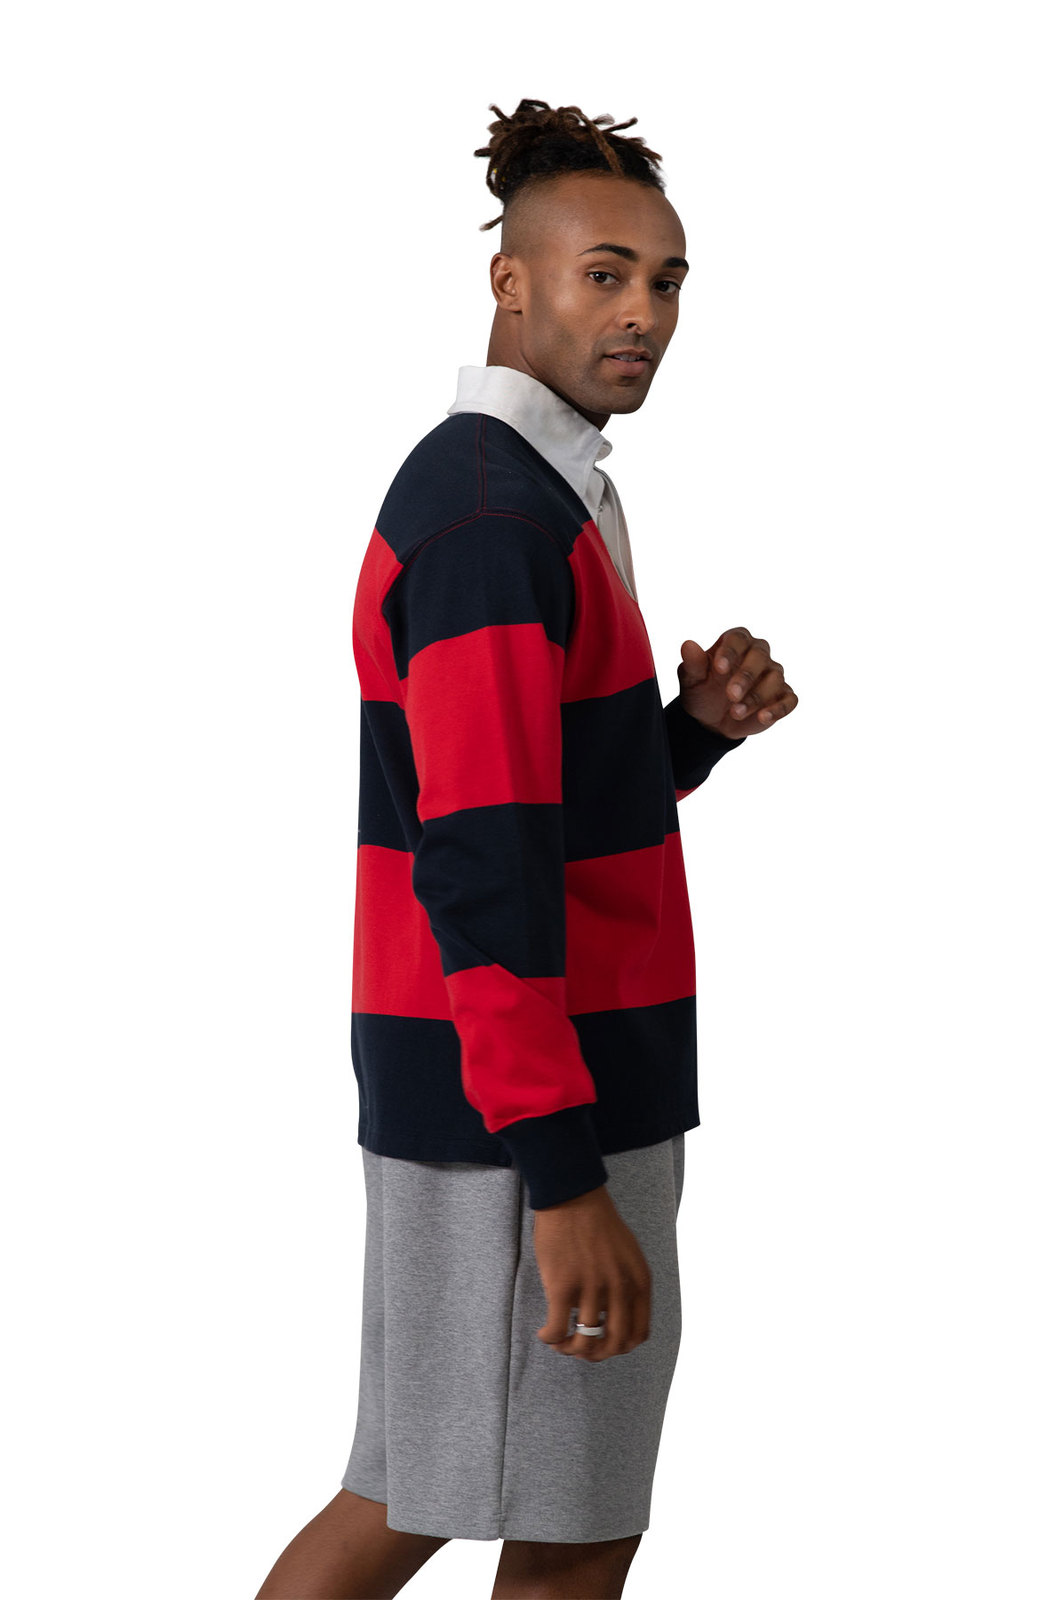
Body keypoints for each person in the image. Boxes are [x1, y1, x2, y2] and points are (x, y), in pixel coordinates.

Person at [255, 97, 797, 1600]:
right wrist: (561, 1179)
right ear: (512, 282)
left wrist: (687, 735)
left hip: (512, 1081)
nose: (644, 315)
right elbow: (483, 871)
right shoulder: (495, 518)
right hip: (531, 1104)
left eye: (667, 281)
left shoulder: (531, 493)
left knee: (429, 1496)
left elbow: (525, 809)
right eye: (603, 274)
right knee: (555, 1527)